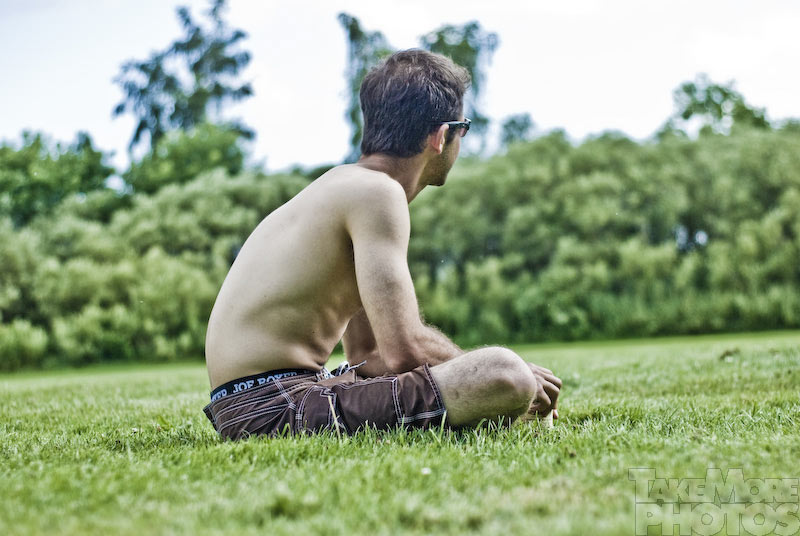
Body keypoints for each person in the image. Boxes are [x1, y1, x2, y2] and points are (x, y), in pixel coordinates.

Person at [203, 49, 561, 440]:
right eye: (465, 128)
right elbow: (405, 349)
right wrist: (501, 374)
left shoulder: (345, 186)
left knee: (496, 374)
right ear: (441, 136)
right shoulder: (378, 194)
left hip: (252, 403)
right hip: (276, 406)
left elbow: (368, 355)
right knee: (505, 373)